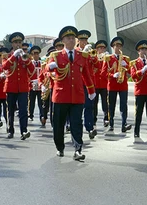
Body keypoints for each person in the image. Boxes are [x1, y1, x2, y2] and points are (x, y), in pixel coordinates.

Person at [47, 26, 95, 161]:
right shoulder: (55, 55)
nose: (72, 40)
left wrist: (91, 90)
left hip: (77, 95)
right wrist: (50, 67)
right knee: (59, 124)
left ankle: (78, 149)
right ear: (63, 40)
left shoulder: (82, 55)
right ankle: (60, 147)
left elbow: (86, 74)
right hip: (61, 96)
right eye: (68, 38)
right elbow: (48, 68)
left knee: (76, 123)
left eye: (73, 38)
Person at [2, 32, 34, 140]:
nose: (18, 44)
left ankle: (24, 130)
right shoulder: (7, 56)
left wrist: (26, 60)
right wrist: (13, 56)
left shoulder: (25, 56)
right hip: (11, 87)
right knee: (10, 110)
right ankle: (10, 130)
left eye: (20, 42)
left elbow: (32, 70)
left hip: (23, 87)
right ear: (12, 44)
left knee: (23, 110)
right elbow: (5, 67)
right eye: (16, 42)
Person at [101, 36, 132, 133]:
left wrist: (126, 65)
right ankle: (111, 124)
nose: (118, 48)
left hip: (123, 85)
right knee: (111, 105)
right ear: (112, 47)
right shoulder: (108, 58)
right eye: (116, 46)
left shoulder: (126, 58)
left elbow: (131, 72)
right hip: (112, 85)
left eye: (119, 46)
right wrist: (112, 75)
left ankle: (124, 124)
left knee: (124, 105)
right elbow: (103, 73)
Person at [27, 45, 43, 123]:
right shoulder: (30, 64)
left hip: (40, 86)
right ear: (32, 55)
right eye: (34, 54)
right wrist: (31, 81)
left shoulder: (42, 63)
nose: (36, 55)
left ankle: (42, 115)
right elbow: (27, 74)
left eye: (37, 53)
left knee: (41, 101)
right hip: (32, 85)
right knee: (31, 101)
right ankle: (30, 115)